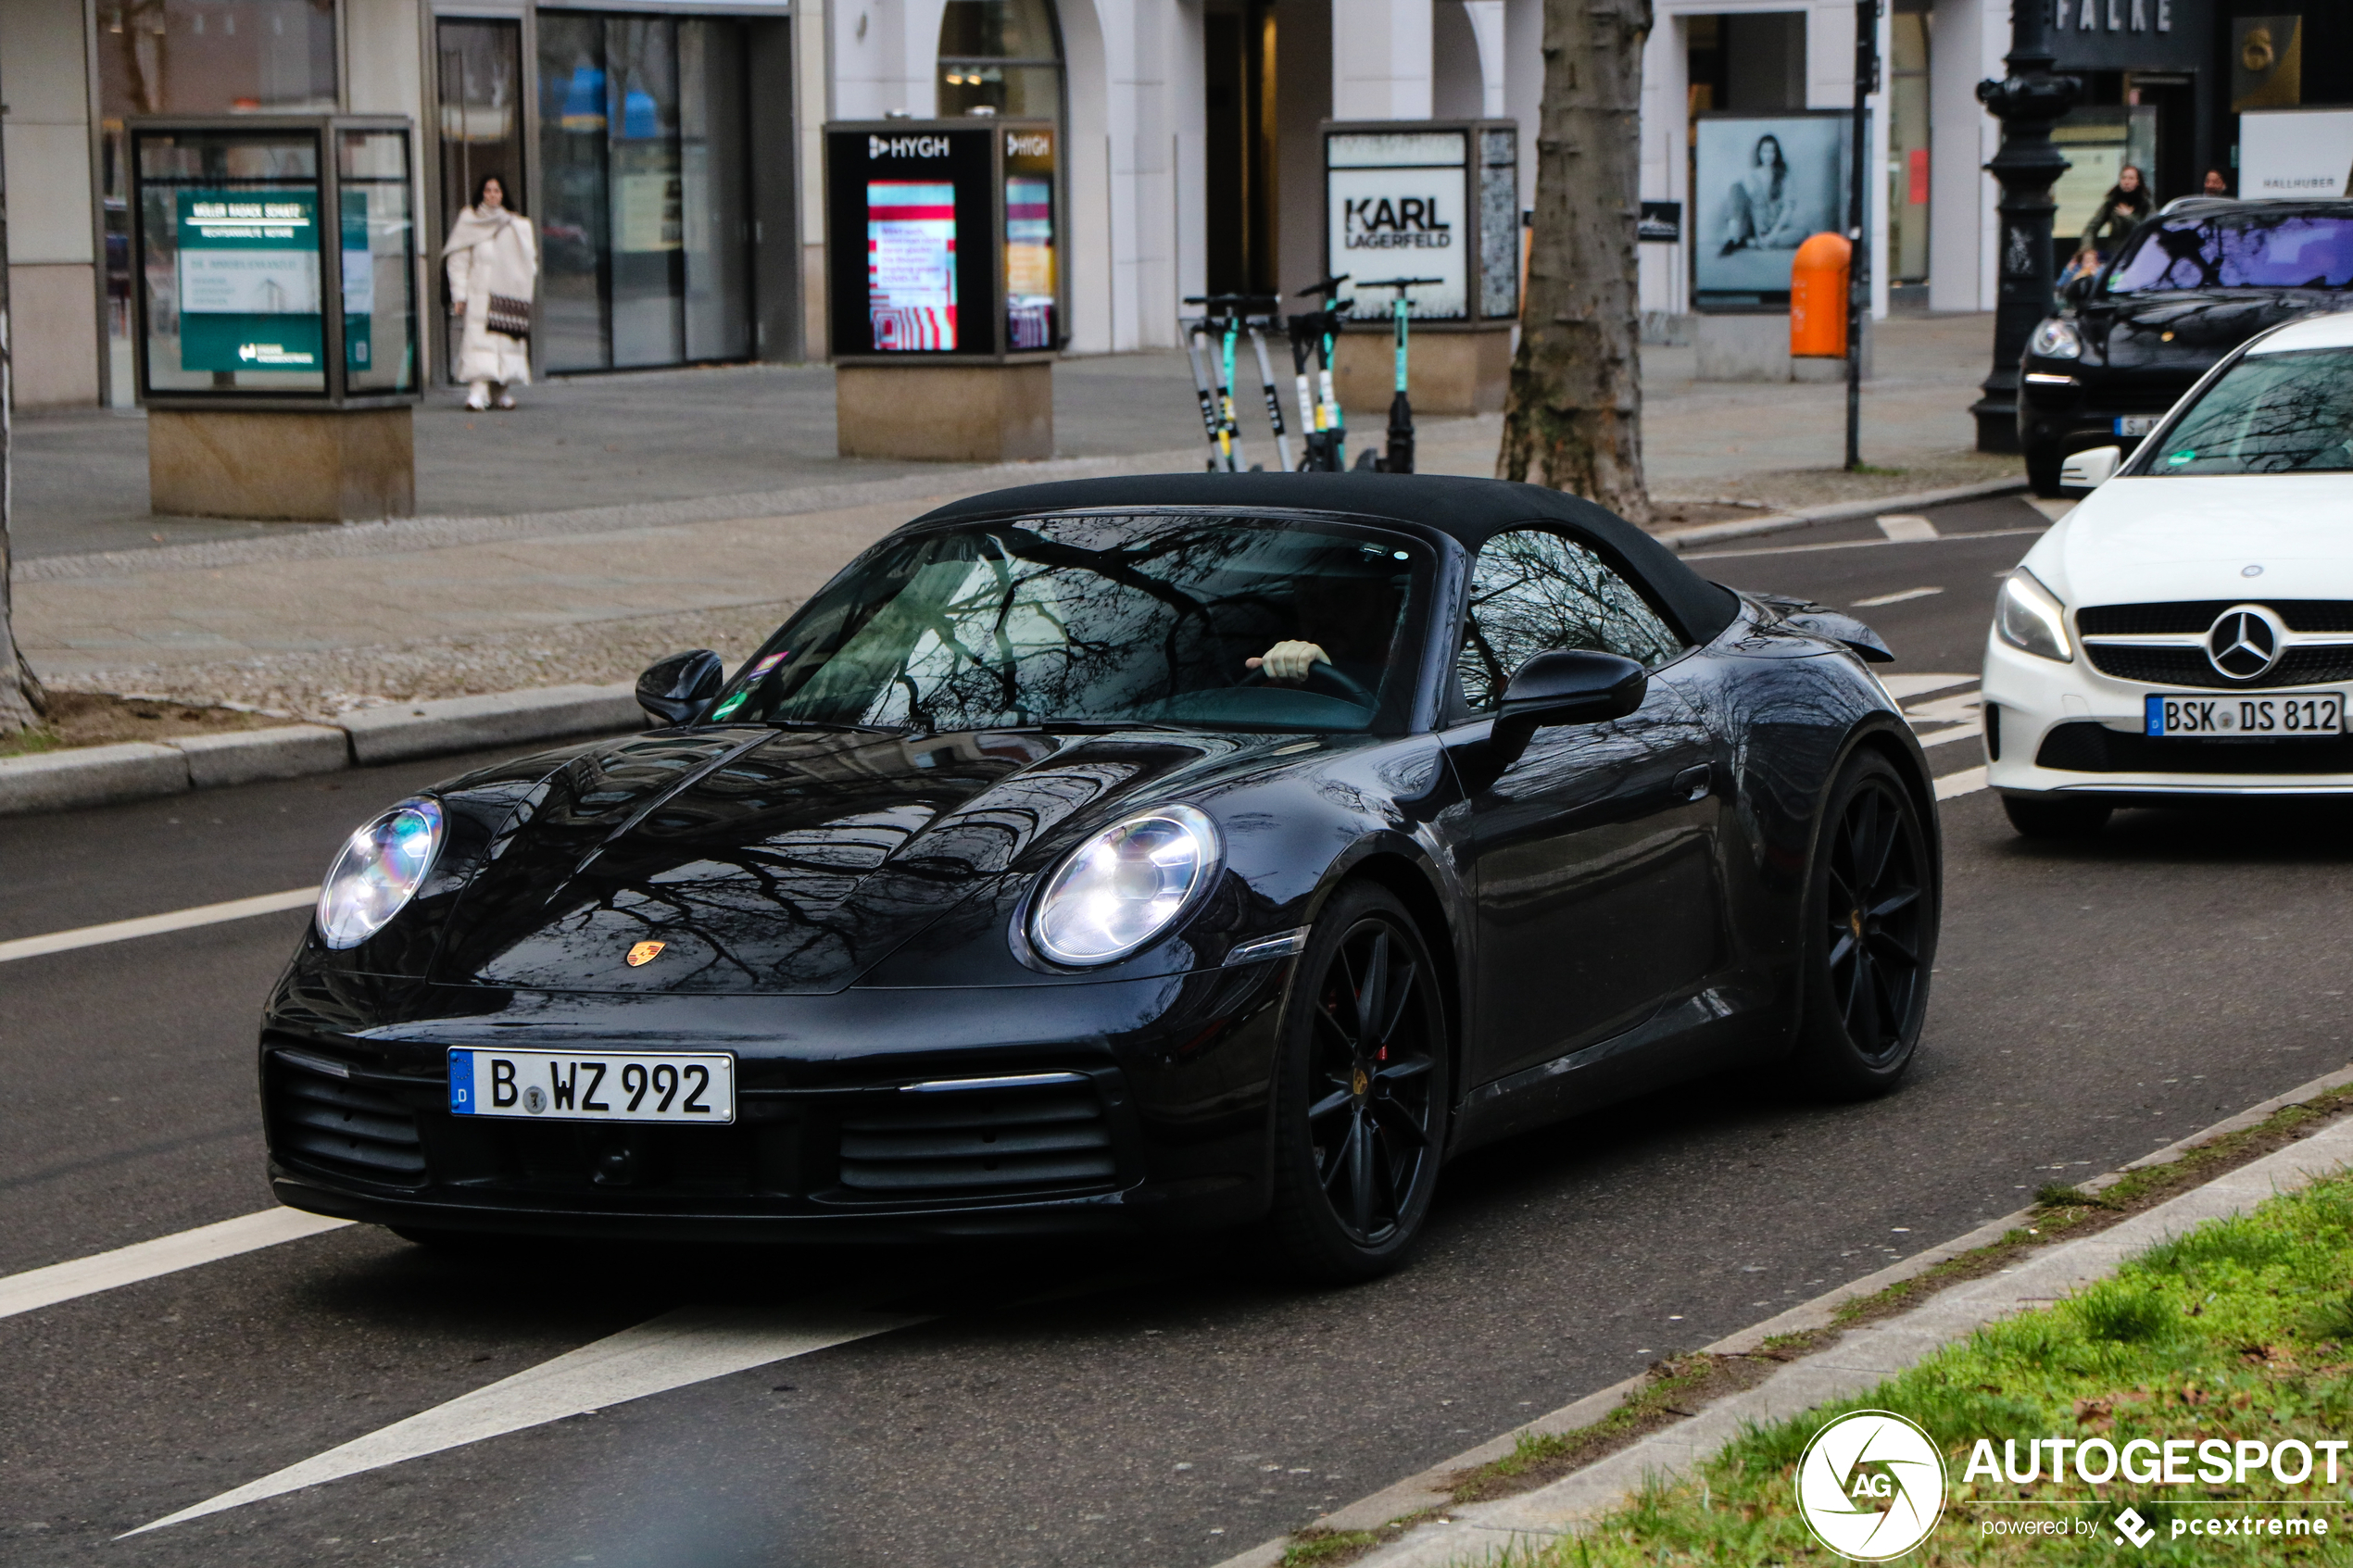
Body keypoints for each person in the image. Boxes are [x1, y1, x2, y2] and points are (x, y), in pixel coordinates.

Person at [442, 174, 537, 411]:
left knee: (505, 342)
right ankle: (477, 392)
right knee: (479, 342)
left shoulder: (517, 224)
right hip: (479, 296)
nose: (492, 195)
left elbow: (529, 261)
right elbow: (458, 262)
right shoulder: (470, 220)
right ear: (481, 193)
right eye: (488, 190)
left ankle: (500, 392)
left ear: (503, 193)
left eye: (496, 190)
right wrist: (459, 296)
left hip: (507, 296)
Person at [1719, 134, 1805, 256]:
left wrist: (1774, 233)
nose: (1768, 155)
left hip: (1776, 226)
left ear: (1776, 154)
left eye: (1772, 151)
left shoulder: (1784, 176)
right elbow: (1753, 206)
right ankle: (1733, 237)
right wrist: (1760, 232)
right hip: (1757, 225)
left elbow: (1788, 208)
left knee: (1803, 234)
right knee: (1736, 187)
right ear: (1759, 153)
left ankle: (1752, 243)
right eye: (1765, 151)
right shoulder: (1752, 175)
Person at [2072, 164, 2151, 272]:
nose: (2126, 182)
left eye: (2131, 178)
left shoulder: (2146, 204)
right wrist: (2088, 250)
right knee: (2076, 267)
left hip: (2138, 254)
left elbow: (2147, 229)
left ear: (2138, 182)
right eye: (2124, 178)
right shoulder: (2113, 201)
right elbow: (2092, 227)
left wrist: (2129, 217)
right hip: (2115, 254)